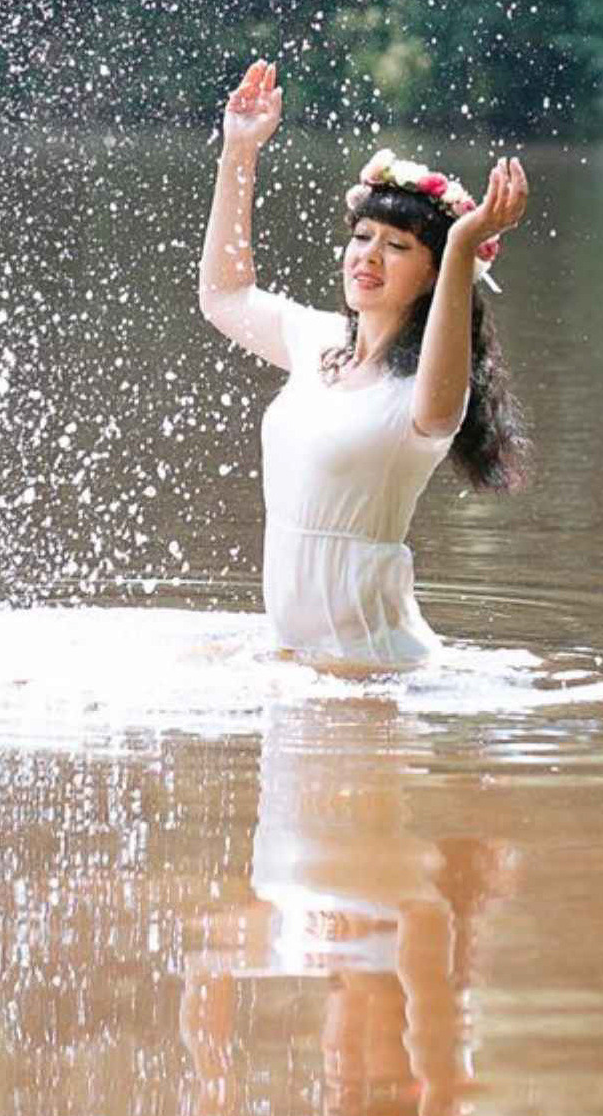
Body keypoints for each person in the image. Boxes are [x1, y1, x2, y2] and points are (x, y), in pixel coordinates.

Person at [197, 56, 533, 675]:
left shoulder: (423, 397)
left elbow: (440, 403)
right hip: (304, 668)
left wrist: (461, 246)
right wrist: (239, 151)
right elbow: (224, 296)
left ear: (436, 274)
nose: (367, 256)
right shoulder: (315, 342)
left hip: (376, 673)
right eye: (361, 236)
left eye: (397, 246)